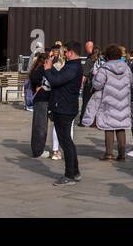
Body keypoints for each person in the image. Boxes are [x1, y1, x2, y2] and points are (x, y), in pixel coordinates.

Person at [44, 42, 83, 184]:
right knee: (67, 141)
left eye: (66, 52)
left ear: (71, 52)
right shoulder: (71, 66)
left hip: (64, 107)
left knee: (65, 142)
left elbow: (56, 81)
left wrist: (48, 70)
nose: (64, 54)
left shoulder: (73, 67)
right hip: (65, 106)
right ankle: (75, 171)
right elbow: (60, 77)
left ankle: (69, 175)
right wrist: (52, 67)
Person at [87, 44, 131, 162]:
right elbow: (130, 81)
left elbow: (97, 84)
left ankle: (109, 153)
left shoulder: (104, 68)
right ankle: (122, 155)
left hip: (109, 101)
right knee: (121, 127)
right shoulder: (126, 68)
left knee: (109, 127)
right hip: (123, 101)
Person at [27, 50, 59, 159]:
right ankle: (38, 151)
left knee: (40, 126)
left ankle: (39, 149)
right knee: (40, 127)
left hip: (41, 100)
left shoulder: (37, 69)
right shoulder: (42, 69)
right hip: (43, 99)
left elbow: (32, 78)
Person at [80, 41, 98, 119]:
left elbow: (85, 75)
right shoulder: (99, 61)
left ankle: (82, 120)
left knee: (85, 102)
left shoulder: (89, 60)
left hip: (89, 84)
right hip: (97, 84)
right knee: (95, 103)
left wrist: (81, 85)